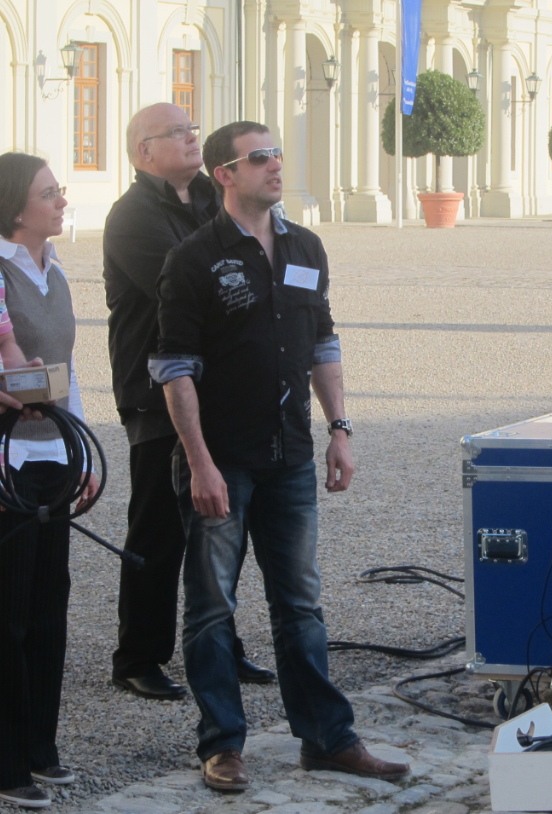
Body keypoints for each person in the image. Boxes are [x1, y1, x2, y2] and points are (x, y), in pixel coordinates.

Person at [148, 121, 409, 791]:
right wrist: (200, 463)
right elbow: (175, 368)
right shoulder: (194, 257)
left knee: (301, 604)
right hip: (221, 459)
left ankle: (327, 738)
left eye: (277, 155)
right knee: (211, 607)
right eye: (259, 158)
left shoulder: (305, 245)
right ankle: (222, 745)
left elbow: (322, 341)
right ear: (224, 175)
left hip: (289, 452)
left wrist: (340, 429)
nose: (275, 166)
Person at [104, 103, 274, 701]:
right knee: (157, 528)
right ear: (142, 151)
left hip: (219, 391)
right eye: (175, 132)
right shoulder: (130, 216)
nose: (190, 137)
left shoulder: (210, 194)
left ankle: (220, 645)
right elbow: (186, 283)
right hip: (157, 392)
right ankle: (139, 656)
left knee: (223, 527)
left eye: (192, 129)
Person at [0, 152, 101, 809]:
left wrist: (86, 456)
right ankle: (7, 762)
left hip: (53, 458)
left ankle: (43, 745)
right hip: (4, 464)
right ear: (15, 209)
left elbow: (65, 370)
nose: (62, 200)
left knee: (47, 609)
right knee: (6, 616)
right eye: (49, 193)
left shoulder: (55, 266)